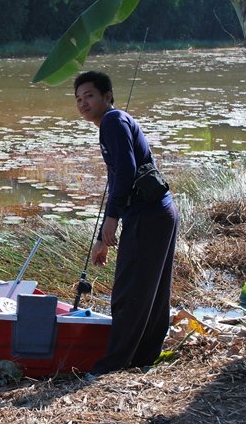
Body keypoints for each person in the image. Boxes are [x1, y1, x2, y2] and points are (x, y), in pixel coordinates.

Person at [74, 70, 179, 374]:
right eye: (79, 99)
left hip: (148, 215)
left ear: (107, 97)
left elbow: (127, 170)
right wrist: (101, 241)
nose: (83, 103)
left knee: (128, 293)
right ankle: (144, 358)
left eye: (89, 95)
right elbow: (118, 177)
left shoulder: (112, 121)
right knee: (153, 292)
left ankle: (113, 365)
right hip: (158, 213)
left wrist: (112, 219)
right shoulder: (113, 123)